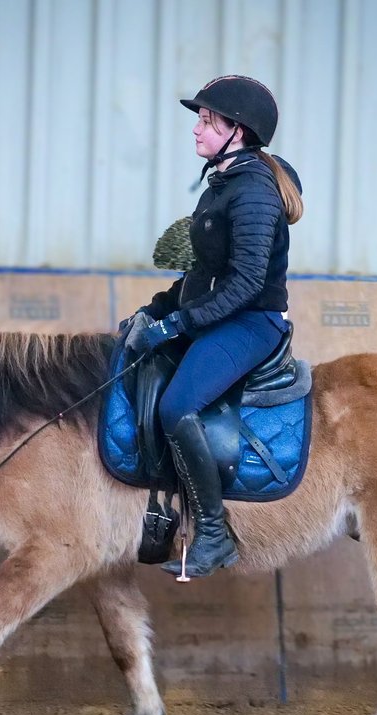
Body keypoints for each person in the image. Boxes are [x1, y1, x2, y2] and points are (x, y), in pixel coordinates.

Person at [127, 74, 303, 578]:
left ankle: (212, 532)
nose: (197, 130)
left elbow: (246, 281)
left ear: (238, 131)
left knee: (178, 405)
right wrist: (159, 309)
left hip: (251, 321)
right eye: (199, 120)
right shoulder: (221, 182)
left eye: (208, 121)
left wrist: (181, 323)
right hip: (222, 311)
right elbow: (205, 272)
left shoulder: (253, 192)